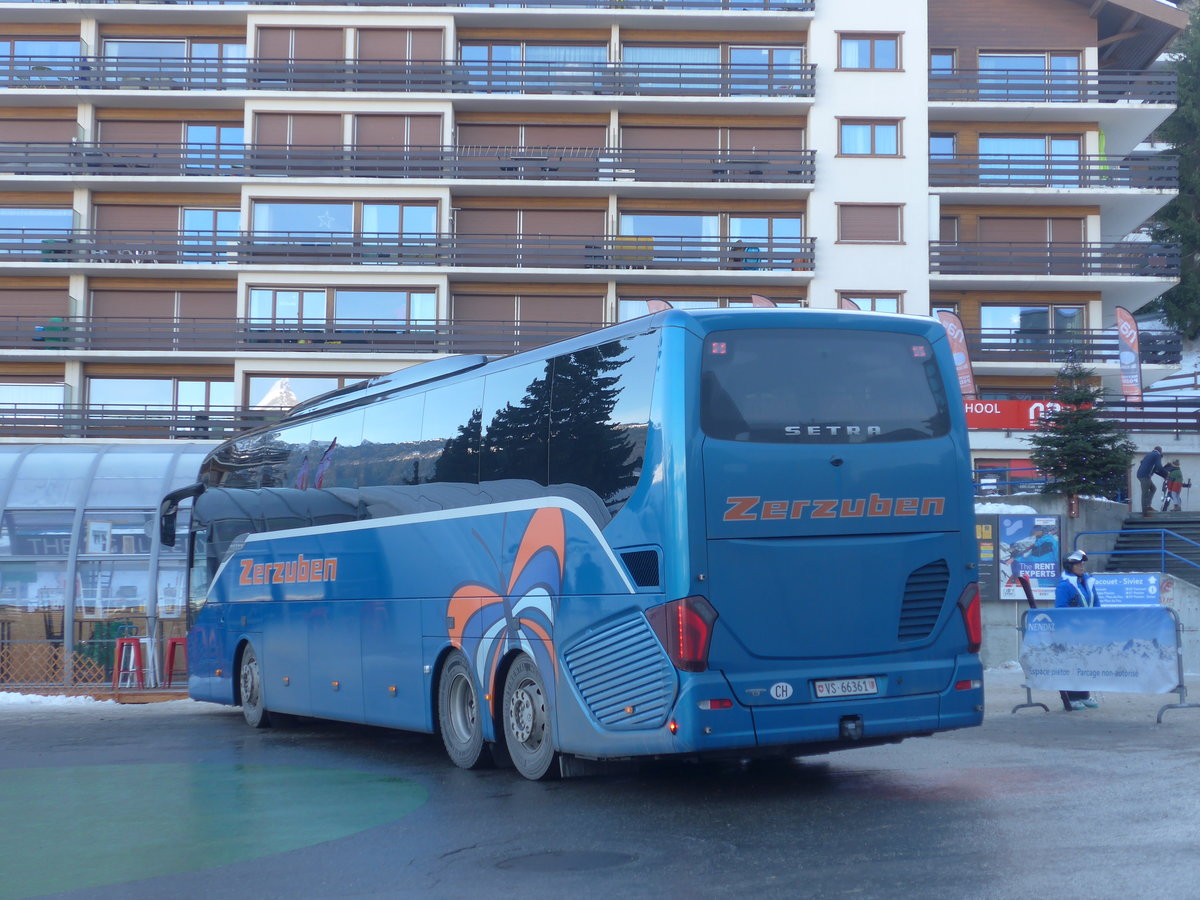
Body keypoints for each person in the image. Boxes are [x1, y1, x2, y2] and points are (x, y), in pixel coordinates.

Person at [1054, 549, 1100, 711]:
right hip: (1071, 632)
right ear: (1069, 566)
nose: (1081, 566)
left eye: (1082, 563)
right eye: (1077, 564)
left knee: (1085, 663)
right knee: (1072, 663)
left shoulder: (1088, 582)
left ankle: (1083, 695)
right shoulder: (1064, 586)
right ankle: (1072, 698)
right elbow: (1060, 609)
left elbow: (1096, 604)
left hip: (1087, 630)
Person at [1136, 446, 1169, 517]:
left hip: (1142, 475)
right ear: (1160, 451)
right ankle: (1145, 512)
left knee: (1153, 488)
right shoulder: (1157, 455)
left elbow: (1154, 468)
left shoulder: (1150, 454)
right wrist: (1166, 473)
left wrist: (1164, 476)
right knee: (1145, 493)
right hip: (1144, 476)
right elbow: (1159, 467)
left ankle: (1148, 506)